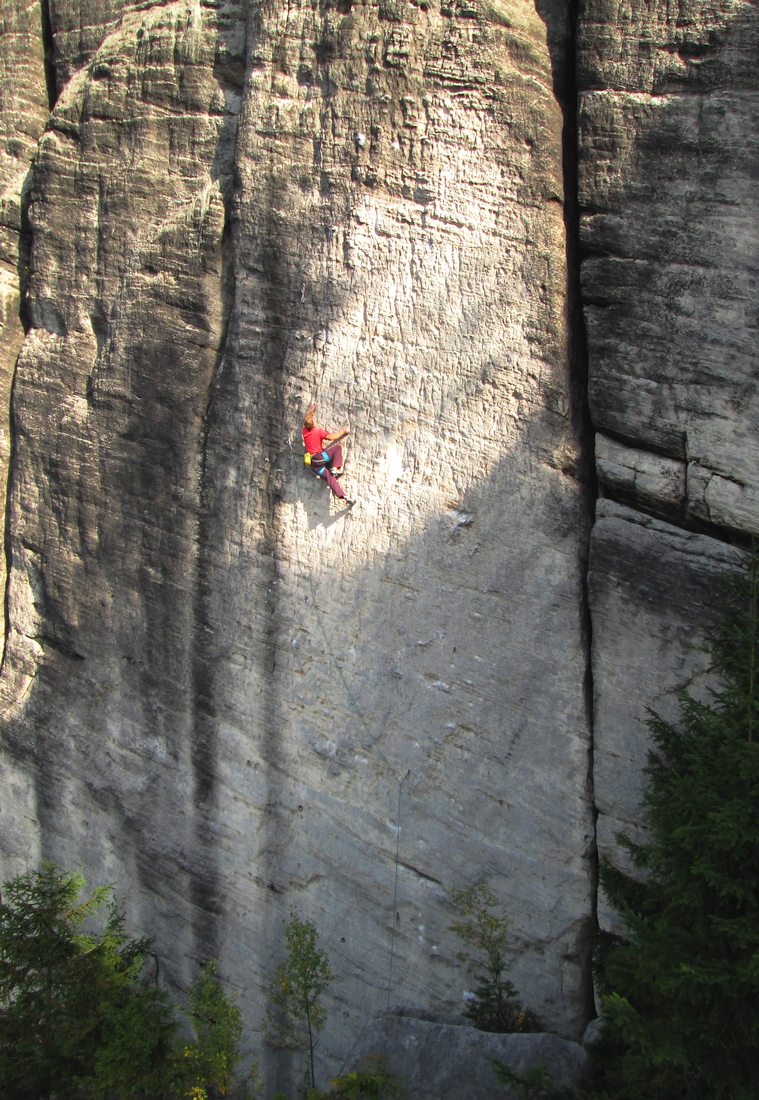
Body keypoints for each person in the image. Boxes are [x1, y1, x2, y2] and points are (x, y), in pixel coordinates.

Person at [302, 403, 355, 506]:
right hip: (319, 458)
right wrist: (344, 432)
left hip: (314, 465)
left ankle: (344, 496)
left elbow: (307, 419)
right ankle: (335, 469)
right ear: (313, 424)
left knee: (331, 480)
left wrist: (313, 409)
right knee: (337, 449)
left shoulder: (304, 431)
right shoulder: (318, 432)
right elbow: (332, 437)